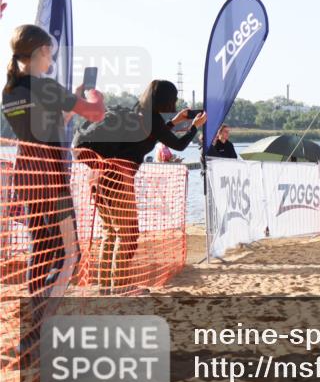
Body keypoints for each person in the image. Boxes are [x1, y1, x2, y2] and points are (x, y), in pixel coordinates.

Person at [2, 24, 106, 363]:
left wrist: (70, 100)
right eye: (49, 52)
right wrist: (91, 97)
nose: (53, 57)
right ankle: (39, 334)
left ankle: (34, 331)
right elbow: (96, 114)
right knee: (69, 256)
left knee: (41, 254)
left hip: (27, 177)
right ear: (38, 54)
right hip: (51, 181)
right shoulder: (46, 87)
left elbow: (51, 123)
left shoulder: (10, 91)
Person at [94, 80, 206, 295]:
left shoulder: (138, 113)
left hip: (99, 176)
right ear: (165, 99)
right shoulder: (152, 121)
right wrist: (194, 127)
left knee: (110, 232)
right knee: (128, 234)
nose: (174, 102)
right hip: (119, 179)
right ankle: (120, 286)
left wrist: (174, 122)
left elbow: (150, 138)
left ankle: (104, 286)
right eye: (172, 98)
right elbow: (179, 145)